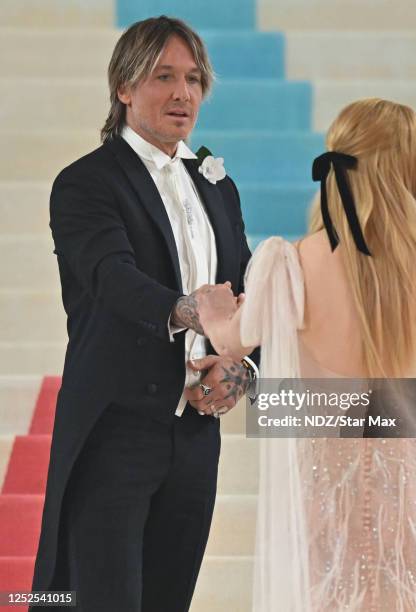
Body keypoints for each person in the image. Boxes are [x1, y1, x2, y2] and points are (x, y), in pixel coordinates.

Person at [191, 99, 416, 610]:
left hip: (320, 488)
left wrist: (212, 310)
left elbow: (233, 341)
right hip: (410, 491)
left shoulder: (287, 262)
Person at [30, 15, 258, 612]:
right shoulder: (85, 182)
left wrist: (236, 369)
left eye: (192, 79)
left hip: (195, 434)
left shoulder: (218, 188)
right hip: (115, 429)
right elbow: (113, 281)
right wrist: (193, 311)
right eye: (163, 77)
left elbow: (246, 296)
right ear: (124, 88)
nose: (183, 93)